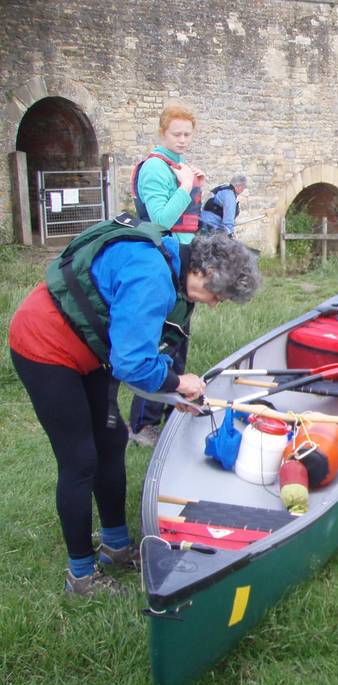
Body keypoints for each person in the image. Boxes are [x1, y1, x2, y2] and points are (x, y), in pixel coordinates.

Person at [8, 222, 261, 597]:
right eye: (216, 295)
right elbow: (131, 364)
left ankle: (116, 547)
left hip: (90, 349)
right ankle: (81, 576)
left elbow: (134, 355)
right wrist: (179, 382)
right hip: (44, 345)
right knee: (80, 460)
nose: (213, 303)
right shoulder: (153, 277)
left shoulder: (175, 259)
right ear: (204, 271)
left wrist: (176, 397)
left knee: (110, 442)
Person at [128, 103, 206, 446]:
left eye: (188, 134)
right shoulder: (155, 169)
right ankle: (142, 425)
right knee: (161, 345)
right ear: (163, 133)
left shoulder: (178, 167)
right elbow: (160, 220)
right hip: (161, 266)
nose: (183, 140)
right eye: (177, 134)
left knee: (178, 345)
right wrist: (186, 186)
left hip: (181, 267)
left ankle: (172, 411)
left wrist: (191, 182)